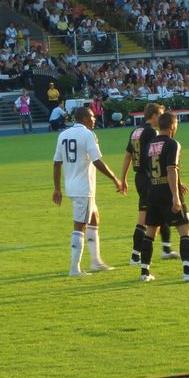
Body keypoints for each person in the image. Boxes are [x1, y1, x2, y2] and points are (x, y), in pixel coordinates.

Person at [138, 112, 189, 283]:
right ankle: (188, 271)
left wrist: (178, 182)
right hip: (167, 191)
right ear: (172, 126)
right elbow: (171, 169)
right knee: (186, 229)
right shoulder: (173, 144)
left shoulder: (149, 145)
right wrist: (175, 196)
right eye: (176, 124)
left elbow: (148, 169)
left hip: (153, 190)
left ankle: (144, 272)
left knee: (150, 231)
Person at [52, 107, 121, 276]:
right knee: (79, 226)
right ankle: (74, 268)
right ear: (83, 118)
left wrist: (57, 188)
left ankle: (96, 261)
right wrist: (115, 178)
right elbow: (97, 161)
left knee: (94, 218)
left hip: (71, 186)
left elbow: (56, 163)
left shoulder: (63, 135)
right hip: (84, 188)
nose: (94, 119)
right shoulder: (88, 135)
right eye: (91, 116)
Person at [120, 103, 180, 266]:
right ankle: (136, 256)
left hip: (139, 176)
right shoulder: (152, 132)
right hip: (150, 177)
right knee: (148, 215)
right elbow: (155, 157)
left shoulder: (135, 131)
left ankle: (164, 249)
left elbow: (128, 155)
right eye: (160, 115)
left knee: (155, 212)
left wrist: (123, 178)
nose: (161, 119)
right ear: (153, 116)